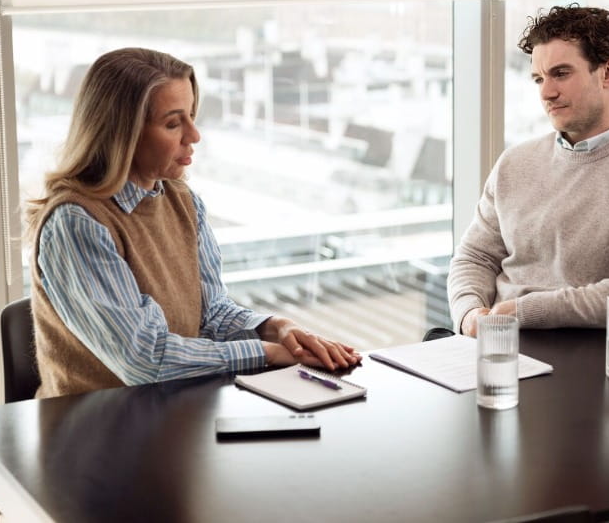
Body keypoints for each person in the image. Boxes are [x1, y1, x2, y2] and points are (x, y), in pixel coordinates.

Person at [25, 47, 360, 398]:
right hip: (95, 434)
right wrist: (268, 354)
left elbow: (210, 312)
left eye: (191, 116)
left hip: (173, 416)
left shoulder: (182, 200)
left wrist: (276, 329)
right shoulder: (76, 224)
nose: (194, 135)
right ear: (121, 133)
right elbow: (144, 359)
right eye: (173, 123)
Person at [448, 5, 609, 336]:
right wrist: (469, 313)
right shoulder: (514, 163)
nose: (546, 92)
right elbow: (475, 258)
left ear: (608, 72)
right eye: (538, 78)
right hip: (493, 348)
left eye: (561, 73)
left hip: (584, 364)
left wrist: (524, 311)